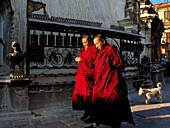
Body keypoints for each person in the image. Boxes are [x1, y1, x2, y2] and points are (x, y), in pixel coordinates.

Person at [85, 34, 135, 128]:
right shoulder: (98, 52)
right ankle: (96, 122)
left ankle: (116, 123)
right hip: (100, 82)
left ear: (103, 41)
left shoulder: (111, 49)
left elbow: (120, 64)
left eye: (97, 44)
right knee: (96, 100)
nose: (96, 46)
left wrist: (112, 76)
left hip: (111, 81)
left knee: (114, 101)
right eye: (94, 44)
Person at [72, 35, 96, 121]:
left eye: (86, 42)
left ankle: (92, 114)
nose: (84, 44)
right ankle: (86, 112)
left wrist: (82, 60)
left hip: (89, 76)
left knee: (89, 95)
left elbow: (95, 61)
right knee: (83, 95)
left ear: (90, 41)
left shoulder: (94, 49)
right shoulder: (83, 50)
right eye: (83, 43)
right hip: (81, 76)